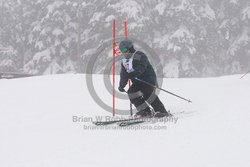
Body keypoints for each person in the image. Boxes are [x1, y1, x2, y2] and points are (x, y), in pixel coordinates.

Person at [118, 40, 169, 118]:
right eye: (122, 51)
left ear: (130, 48)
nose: (124, 53)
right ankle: (145, 111)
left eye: (125, 50)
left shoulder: (140, 55)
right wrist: (121, 85)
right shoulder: (124, 61)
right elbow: (124, 75)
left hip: (148, 79)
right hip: (138, 82)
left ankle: (161, 111)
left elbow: (142, 67)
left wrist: (134, 73)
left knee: (147, 93)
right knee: (131, 92)